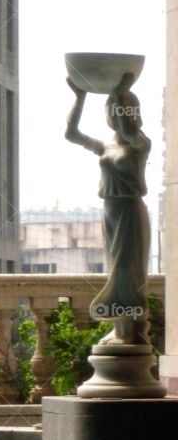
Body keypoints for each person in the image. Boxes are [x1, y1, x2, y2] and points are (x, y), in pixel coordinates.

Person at [65, 72, 152, 345]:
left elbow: (128, 131)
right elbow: (71, 134)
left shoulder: (140, 143)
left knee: (128, 271)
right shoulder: (105, 146)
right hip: (110, 214)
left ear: (131, 112)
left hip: (130, 212)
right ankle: (121, 329)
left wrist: (119, 92)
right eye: (111, 111)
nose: (115, 115)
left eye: (122, 109)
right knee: (115, 269)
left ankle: (130, 332)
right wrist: (80, 98)